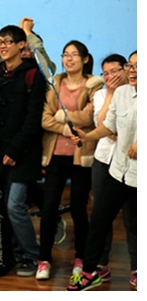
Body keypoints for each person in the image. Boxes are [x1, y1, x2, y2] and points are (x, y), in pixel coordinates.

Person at [0, 24, 46, 278]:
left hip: (24, 154)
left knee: (15, 205)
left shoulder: (33, 75)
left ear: (21, 45)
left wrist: (15, 151)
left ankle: (32, 254)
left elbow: (33, 120)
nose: (3, 46)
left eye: (8, 41)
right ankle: (16, 251)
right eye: (0, 42)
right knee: (2, 206)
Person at [68, 51, 137, 291]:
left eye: (138, 66)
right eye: (130, 66)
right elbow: (108, 126)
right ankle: (90, 272)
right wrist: (86, 136)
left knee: (136, 223)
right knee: (99, 219)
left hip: (139, 175)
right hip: (117, 170)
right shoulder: (120, 94)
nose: (132, 71)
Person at [36, 40, 102, 281]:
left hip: (81, 156)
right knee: (48, 208)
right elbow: (45, 118)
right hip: (55, 155)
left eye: (74, 55)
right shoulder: (55, 83)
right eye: (65, 54)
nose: (69, 59)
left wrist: (62, 116)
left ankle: (80, 258)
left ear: (85, 59)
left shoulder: (94, 84)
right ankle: (44, 259)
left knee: (78, 209)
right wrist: (66, 129)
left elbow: (89, 117)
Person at [88, 53, 134, 282]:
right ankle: (99, 265)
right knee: (100, 216)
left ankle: (137, 268)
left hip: (132, 167)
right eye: (105, 73)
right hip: (106, 161)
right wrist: (111, 94)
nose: (110, 77)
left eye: (115, 71)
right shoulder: (103, 95)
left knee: (133, 219)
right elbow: (104, 125)